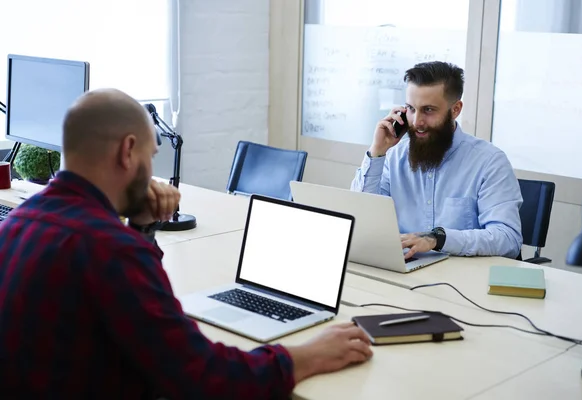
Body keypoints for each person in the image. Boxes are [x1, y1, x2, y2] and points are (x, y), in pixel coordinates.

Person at [0, 88, 372, 398]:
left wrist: (142, 227)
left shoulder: (16, 224)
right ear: (128, 151)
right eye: (151, 155)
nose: (152, 170)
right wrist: (306, 357)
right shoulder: (110, 249)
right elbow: (201, 375)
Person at [351, 61, 523, 259]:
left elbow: (508, 239)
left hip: (461, 279)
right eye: (411, 109)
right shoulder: (393, 156)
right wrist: (377, 152)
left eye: (428, 110)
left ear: (456, 109)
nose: (417, 122)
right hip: (402, 270)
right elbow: (360, 217)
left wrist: (438, 239)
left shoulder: (489, 162)